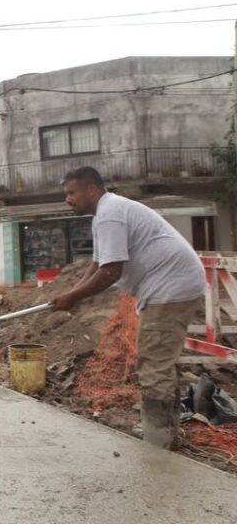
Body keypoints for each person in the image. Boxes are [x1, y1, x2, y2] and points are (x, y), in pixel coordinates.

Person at [50, 166, 205, 449]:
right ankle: (167, 430)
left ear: (91, 190)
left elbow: (111, 271)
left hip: (170, 288)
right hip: (170, 286)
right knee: (159, 362)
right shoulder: (106, 213)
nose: (67, 199)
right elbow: (98, 264)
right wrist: (74, 294)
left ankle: (158, 444)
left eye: (72, 193)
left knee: (153, 365)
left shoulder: (110, 214)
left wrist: (73, 297)